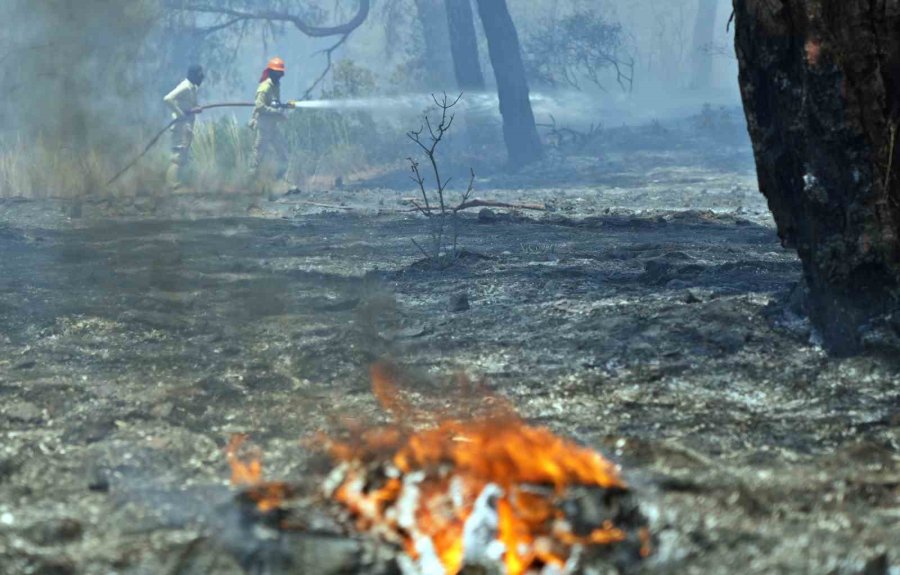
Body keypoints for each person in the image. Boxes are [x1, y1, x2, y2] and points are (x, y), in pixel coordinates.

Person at [249, 57, 293, 185]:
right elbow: (259, 106)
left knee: (283, 154)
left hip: (273, 126)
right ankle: (250, 184)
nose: (280, 75)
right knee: (257, 157)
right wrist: (277, 111)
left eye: (281, 72)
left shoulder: (276, 85)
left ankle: (276, 182)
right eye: (278, 72)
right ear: (272, 72)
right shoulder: (264, 88)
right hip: (263, 127)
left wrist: (282, 106)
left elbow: (274, 103)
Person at [163, 65, 205, 190]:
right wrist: (180, 113)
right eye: (199, 74)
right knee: (177, 156)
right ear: (193, 75)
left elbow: (189, 105)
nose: (201, 77)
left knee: (183, 156)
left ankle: (177, 183)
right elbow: (167, 99)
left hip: (186, 126)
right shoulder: (185, 86)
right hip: (180, 126)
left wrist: (195, 108)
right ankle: (171, 185)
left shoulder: (192, 88)